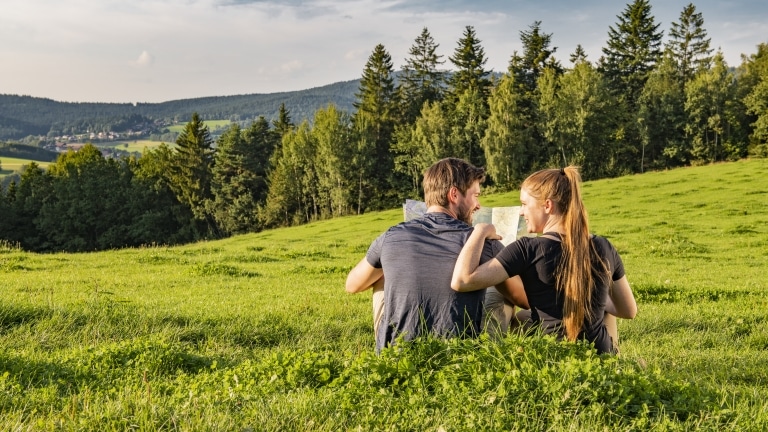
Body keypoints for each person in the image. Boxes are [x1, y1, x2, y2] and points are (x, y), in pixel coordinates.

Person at [345, 157, 527, 352]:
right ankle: (490, 350)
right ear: (454, 195)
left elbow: (353, 285)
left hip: (398, 358)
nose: (478, 205)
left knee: (380, 275)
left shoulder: (391, 236)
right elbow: (522, 298)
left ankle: (389, 345)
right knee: (501, 283)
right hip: (459, 357)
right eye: (475, 195)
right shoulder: (483, 242)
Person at [451, 166, 637, 354]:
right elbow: (629, 311)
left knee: (517, 320)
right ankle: (615, 361)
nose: (522, 212)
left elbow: (462, 281)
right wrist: (591, 297)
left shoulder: (527, 248)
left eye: (524, 204)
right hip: (599, 356)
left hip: (553, 357)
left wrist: (480, 231)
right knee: (602, 312)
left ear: (547, 206)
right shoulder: (603, 245)